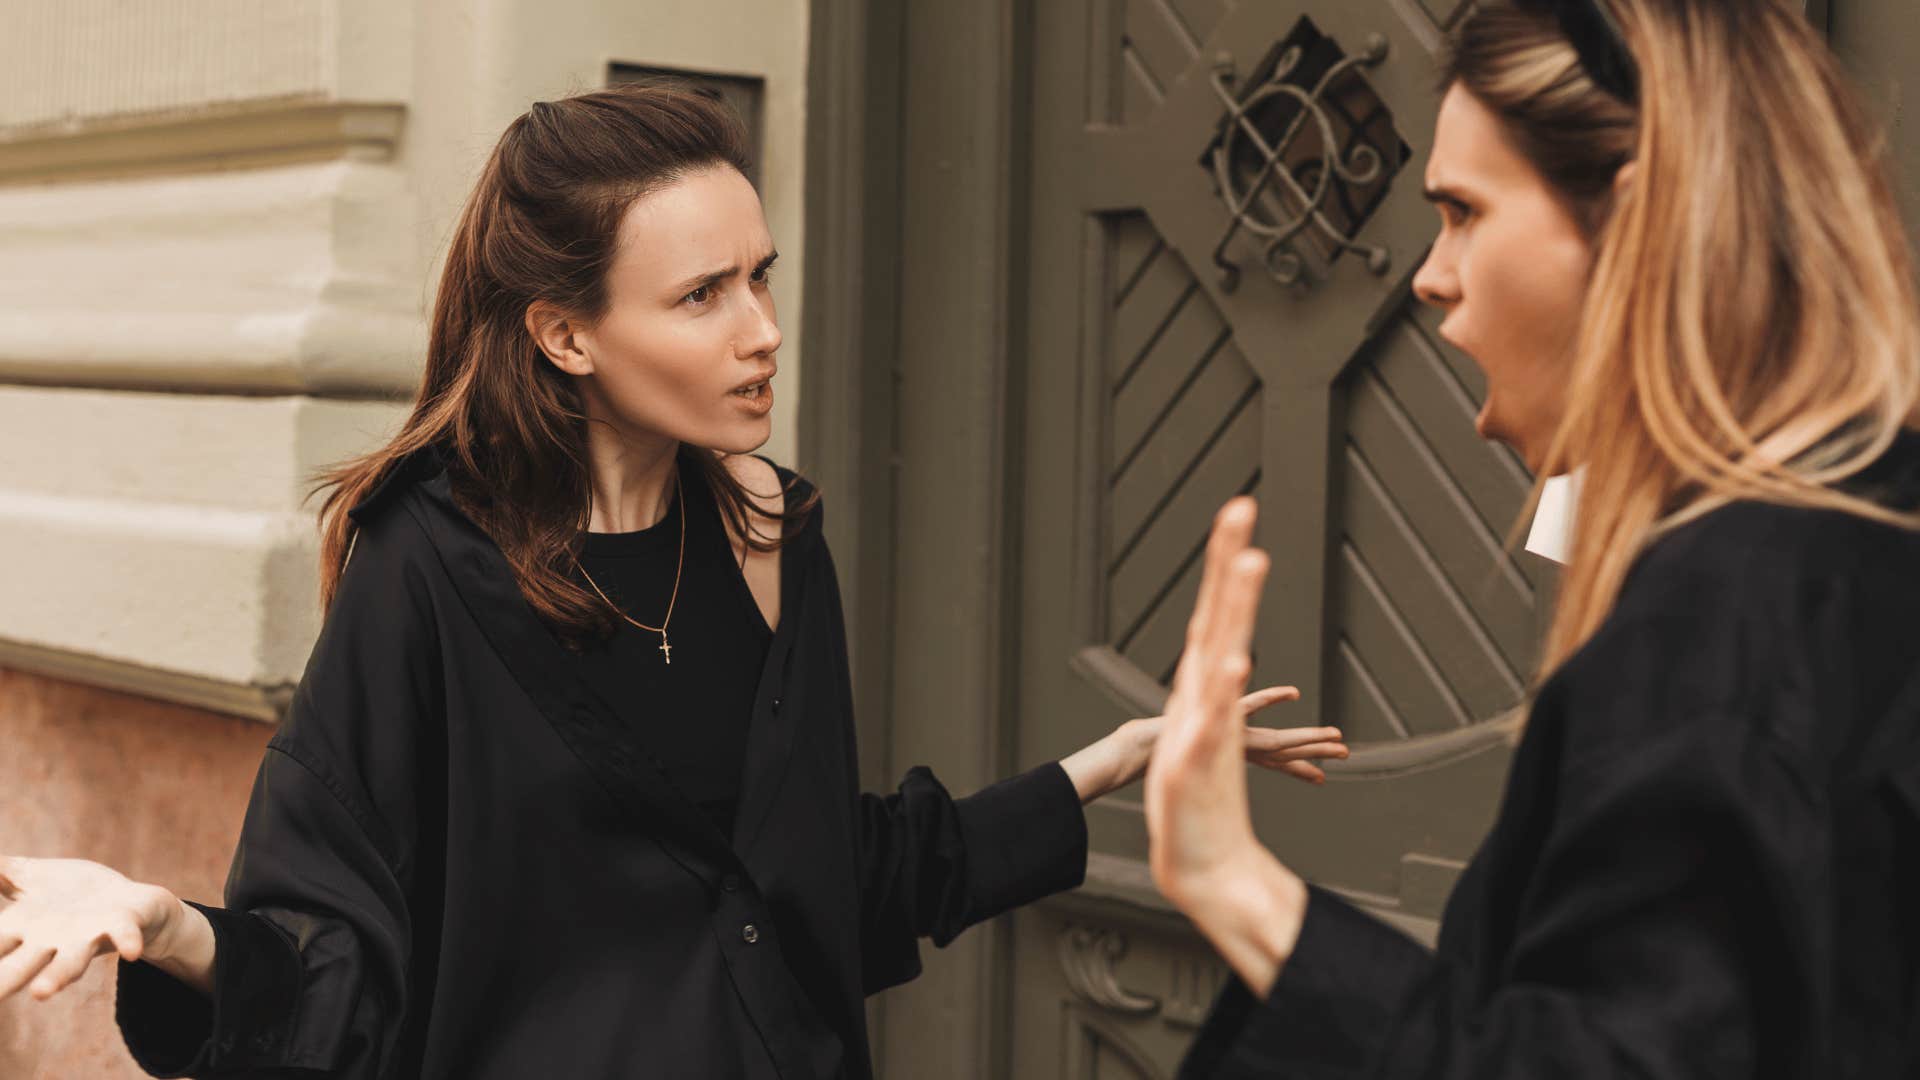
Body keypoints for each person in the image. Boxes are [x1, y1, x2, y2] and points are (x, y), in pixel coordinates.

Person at [0, 82, 1349, 1079]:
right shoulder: (424, 569)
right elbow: (340, 963)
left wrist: (1101, 768)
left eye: (761, 278)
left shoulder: (770, 532)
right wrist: (166, 926)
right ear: (565, 333)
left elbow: (828, 881)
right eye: (702, 296)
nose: (763, 332)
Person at [1143, 0, 1920, 1077]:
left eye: (1464, 210)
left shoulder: (1727, 612)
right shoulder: (1863, 534)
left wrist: (1235, 882)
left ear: (1640, 225)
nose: (1430, 274)